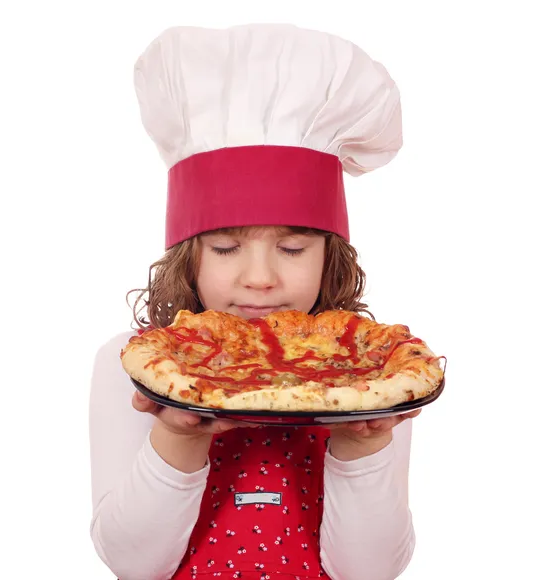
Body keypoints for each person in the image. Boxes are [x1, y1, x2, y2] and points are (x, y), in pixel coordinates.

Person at [89, 24, 420, 580]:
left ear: (329, 255)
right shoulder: (131, 363)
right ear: (187, 255)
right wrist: (176, 432)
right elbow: (132, 566)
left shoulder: (368, 375)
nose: (260, 277)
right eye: (225, 247)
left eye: (292, 247)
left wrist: (363, 445)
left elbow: (367, 572)